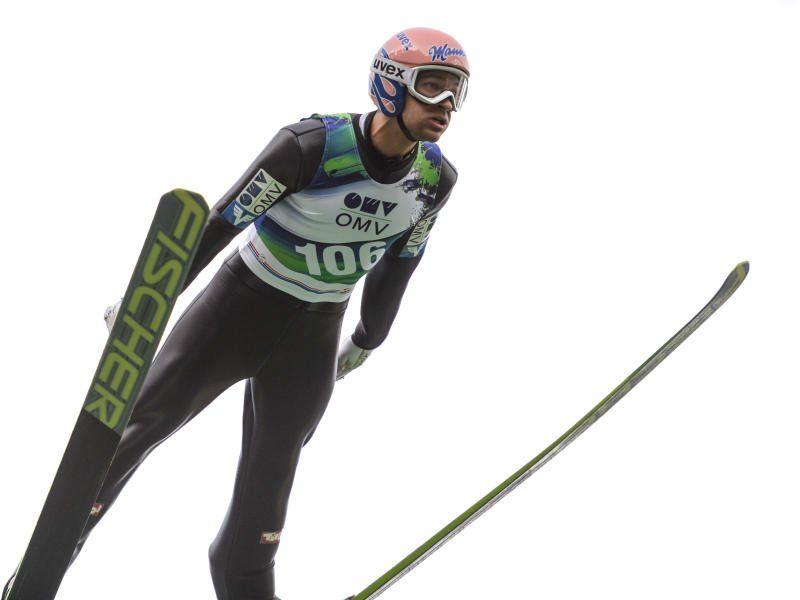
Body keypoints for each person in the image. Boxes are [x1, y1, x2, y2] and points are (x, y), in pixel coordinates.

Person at [6, 27, 469, 600]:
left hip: (313, 337)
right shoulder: (310, 146)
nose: (446, 104)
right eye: (432, 86)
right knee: (131, 435)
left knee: (265, 508)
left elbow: (401, 264)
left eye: (456, 91)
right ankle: (34, 577)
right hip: (238, 309)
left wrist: (369, 338)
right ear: (391, 85)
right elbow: (223, 220)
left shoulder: (434, 180)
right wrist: (150, 301)